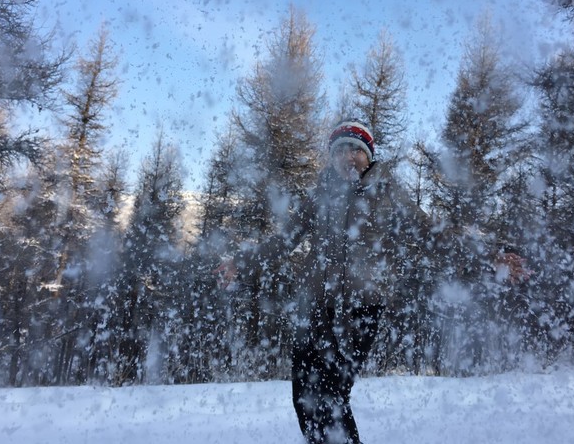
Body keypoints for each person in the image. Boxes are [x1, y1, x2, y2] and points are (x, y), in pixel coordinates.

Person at [216, 119, 527, 444]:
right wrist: (242, 262)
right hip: (312, 310)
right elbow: (284, 241)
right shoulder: (320, 195)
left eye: (355, 150)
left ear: (369, 155)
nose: (347, 157)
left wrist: (488, 256)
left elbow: (433, 237)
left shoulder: (388, 194)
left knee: (330, 396)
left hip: (358, 311)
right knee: (305, 399)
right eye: (339, 151)